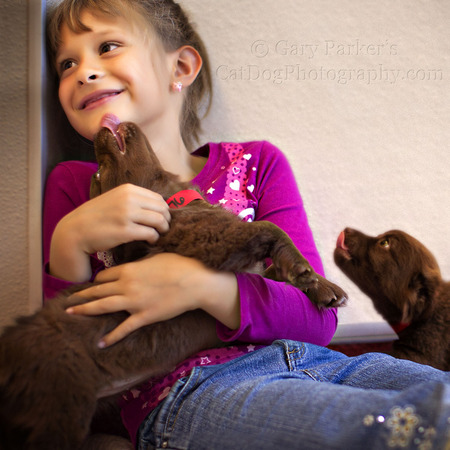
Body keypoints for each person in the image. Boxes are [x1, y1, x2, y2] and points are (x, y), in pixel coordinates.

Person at [44, 1, 449, 449]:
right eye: (67, 63)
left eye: (108, 46)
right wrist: (71, 239)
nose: (84, 71)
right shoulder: (74, 186)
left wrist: (201, 288)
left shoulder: (257, 165)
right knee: (407, 426)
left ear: (179, 66)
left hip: (312, 360)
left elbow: (318, 319)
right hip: (188, 392)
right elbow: (60, 363)